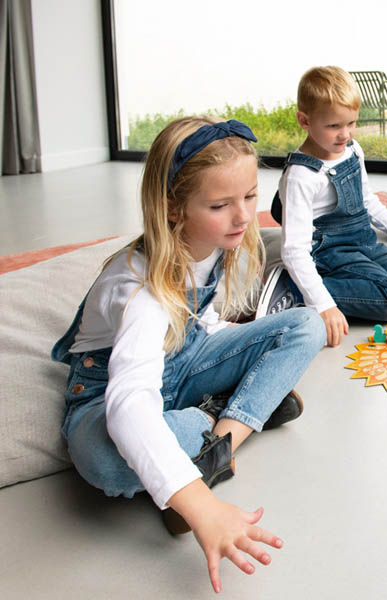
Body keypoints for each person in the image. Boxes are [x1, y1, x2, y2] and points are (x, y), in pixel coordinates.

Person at [51, 116, 327, 593]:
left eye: (250, 197)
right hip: (107, 393)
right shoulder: (140, 288)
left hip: (185, 358)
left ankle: (220, 440)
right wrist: (199, 505)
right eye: (221, 205)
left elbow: (204, 321)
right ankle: (217, 419)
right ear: (173, 209)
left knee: (306, 324)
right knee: (101, 460)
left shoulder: (217, 240)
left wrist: (232, 349)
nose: (243, 217)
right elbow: (129, 404)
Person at [258, 65, 387, 347]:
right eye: (333, 126)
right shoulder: (301, 176)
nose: (345, 134)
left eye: (351, 123)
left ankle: (356, 286)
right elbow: (294, 249)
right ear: (304, 120)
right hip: (329, 253)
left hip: (363, 242)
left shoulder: (352, 150)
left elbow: (366, 199)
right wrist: (324, 305)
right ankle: (293, 290)